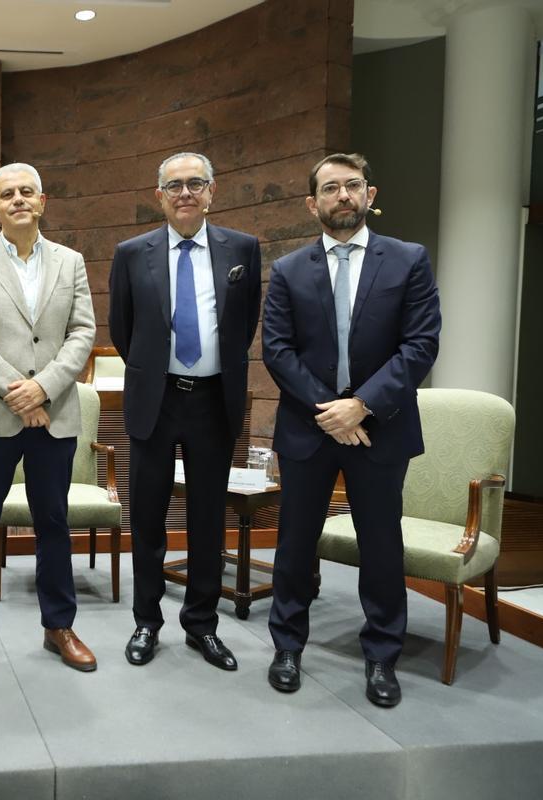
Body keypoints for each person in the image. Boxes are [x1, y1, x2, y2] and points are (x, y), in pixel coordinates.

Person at [263, 153, 441, 707]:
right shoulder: (290, 269)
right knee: (294, 544)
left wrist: (361, 405)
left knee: (382, 546)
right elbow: (276, 349)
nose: (343, 195)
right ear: (311, 203)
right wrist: (331, 409)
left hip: (380, 429)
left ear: (370, 193)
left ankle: (383, 655)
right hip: (308, 429)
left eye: (353, 186)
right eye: (331, 188)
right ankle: (288, 645)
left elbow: (421, 344)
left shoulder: (408, 260)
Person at [108, 152, 262, 672]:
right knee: (149, 519)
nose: (185, 193)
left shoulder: (243, 249)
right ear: (159, 195)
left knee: (206, 520)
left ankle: (202, 624)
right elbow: (122, 329)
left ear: (212, 190)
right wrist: (156, 370)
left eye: (196, 183)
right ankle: (146, 621)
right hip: (156, 400)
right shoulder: (132, 253)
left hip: (214, 401)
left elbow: (245, 325)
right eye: (174, 185)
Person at [0, 163, 97, 677]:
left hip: (54, 414)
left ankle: (59, 625)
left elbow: (83, 332)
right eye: (6, 194)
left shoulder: (71, 261)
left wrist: (45, 388)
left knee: (53, 525)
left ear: (43, 201)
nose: (17, 200)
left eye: (26, 192)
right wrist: (21, 393)